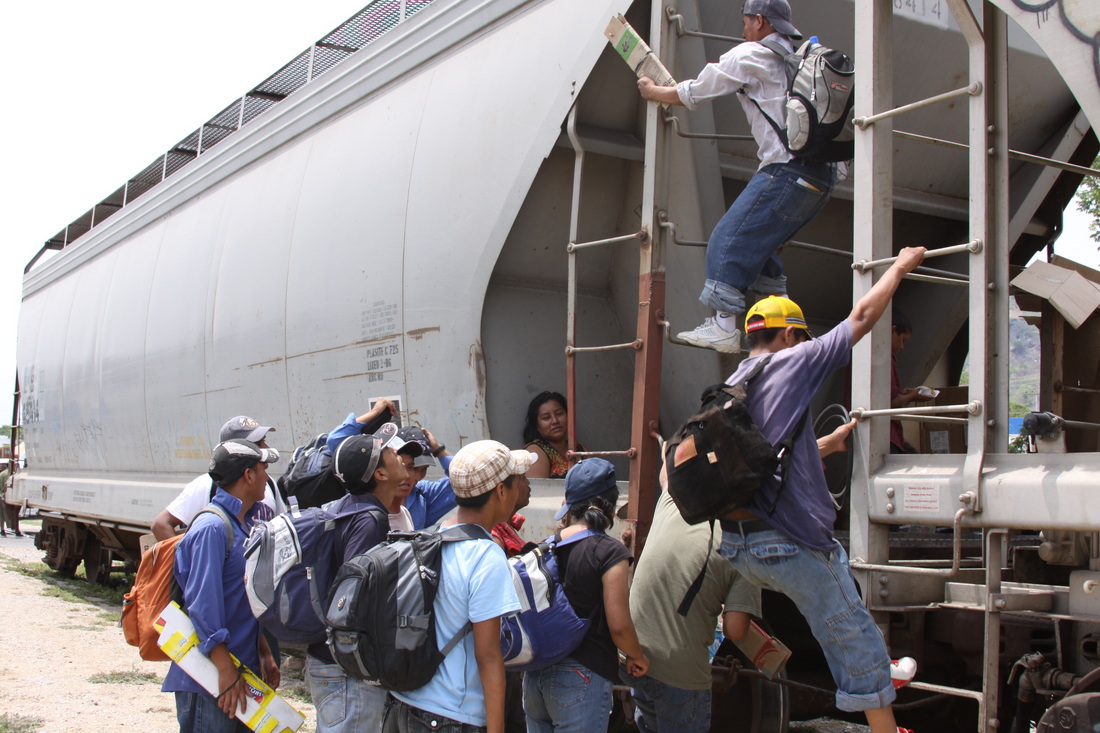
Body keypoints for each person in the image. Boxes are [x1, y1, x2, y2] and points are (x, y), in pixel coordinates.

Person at [715, 246, 927, 733]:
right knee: (850, 630)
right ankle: (884, 722)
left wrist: (824, 446)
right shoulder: (796, 360)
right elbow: (862, 316)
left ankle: (876, 673)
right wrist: (899, 266)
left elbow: (763, 452)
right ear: (790, 334)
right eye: (800, 338)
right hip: (786, 540)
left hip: (738, 545)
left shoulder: (737, 381)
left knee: (841, 618)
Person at [638, 0, 836, 354]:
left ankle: (724, 327)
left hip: (786, 171)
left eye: (745, 22)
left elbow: (697, 91)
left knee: (727, 240)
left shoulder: (751, 54)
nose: (743, 30)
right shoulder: (803, 57)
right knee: (758, 248)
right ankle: (788, 325)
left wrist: (653, 92)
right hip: (822, 179)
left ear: (759, 21)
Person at [384, 440, 526, 733]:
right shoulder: (485, 555)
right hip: (450, 715)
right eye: (517, 482)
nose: (521, 488)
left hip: (403, 704)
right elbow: (487, 654)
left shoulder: (432, 535)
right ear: (500, 491)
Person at [162, 439, 281, 733]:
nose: (268, 476)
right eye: (264, 468)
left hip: (240, 673)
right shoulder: (213, 528)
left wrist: (263, 652)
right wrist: (225, 672)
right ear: (248, 476)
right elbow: (204, 606)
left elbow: (240, 601)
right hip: (211, 680)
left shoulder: (242, 524)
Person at [523, 459, 649, 733]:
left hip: (535, 675)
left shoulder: (547, 546)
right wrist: (636, 656)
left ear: (569, 505)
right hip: (581, 675)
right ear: (611, 503)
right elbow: (618, 625)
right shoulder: (609, 552)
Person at [305, 431, 410, 733]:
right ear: (380, 474)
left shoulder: (346, 506)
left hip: (329, 662)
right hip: (347, 671)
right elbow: (353, 596)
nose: (397, 453)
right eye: (388, 451)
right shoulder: (369, 520)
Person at [151, 416, 285, 541]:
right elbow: (161, 524)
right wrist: (183, 559)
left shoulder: (268, 483)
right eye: (258, 443)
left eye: (264, 441)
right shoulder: (205, 485)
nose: (266, 448)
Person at [889, 309, 934, 453]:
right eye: (902, 340)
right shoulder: (882, 361)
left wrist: (902, 393)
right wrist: (913, 396)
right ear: (892, 331)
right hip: (885, 435)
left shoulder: (887, 359)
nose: (902, 347)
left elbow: (892, 396)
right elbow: (888, 404)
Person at [524, 392, 584, 479]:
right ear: (537, 425)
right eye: (546, 418)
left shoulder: (581, 450)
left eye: (559, 414)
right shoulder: (535, 452)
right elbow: (539, 491)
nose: (555, 421)